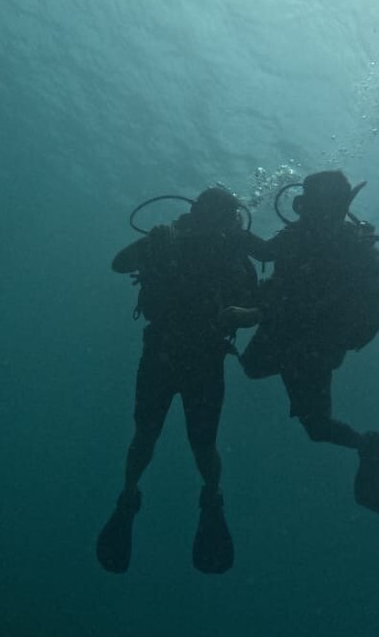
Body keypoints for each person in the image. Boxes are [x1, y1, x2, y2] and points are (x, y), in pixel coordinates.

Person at [97, 187, 259, 574]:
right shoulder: (168, 240)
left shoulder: (235, 255)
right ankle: (130, 496)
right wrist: (152, 239)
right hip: (165, 351)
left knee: (199, 443)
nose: (215, 222)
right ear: (197, 212)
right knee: (148, 434)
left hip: (198, 356)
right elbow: (119, 263)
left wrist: (242, 315)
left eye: (222, 216)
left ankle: (209, 497)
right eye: (210, 213)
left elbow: (259, 309)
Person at [222, 170, 379, 513]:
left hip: (313, 343)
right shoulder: (303, 234)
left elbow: (269, 257)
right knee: (262, 377)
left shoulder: (349, 245)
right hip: (295, 336)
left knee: (314, 425)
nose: (305, 210)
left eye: (312, 203)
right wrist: (231, 232)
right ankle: (363, 444)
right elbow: (267, 252)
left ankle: (365, 444)